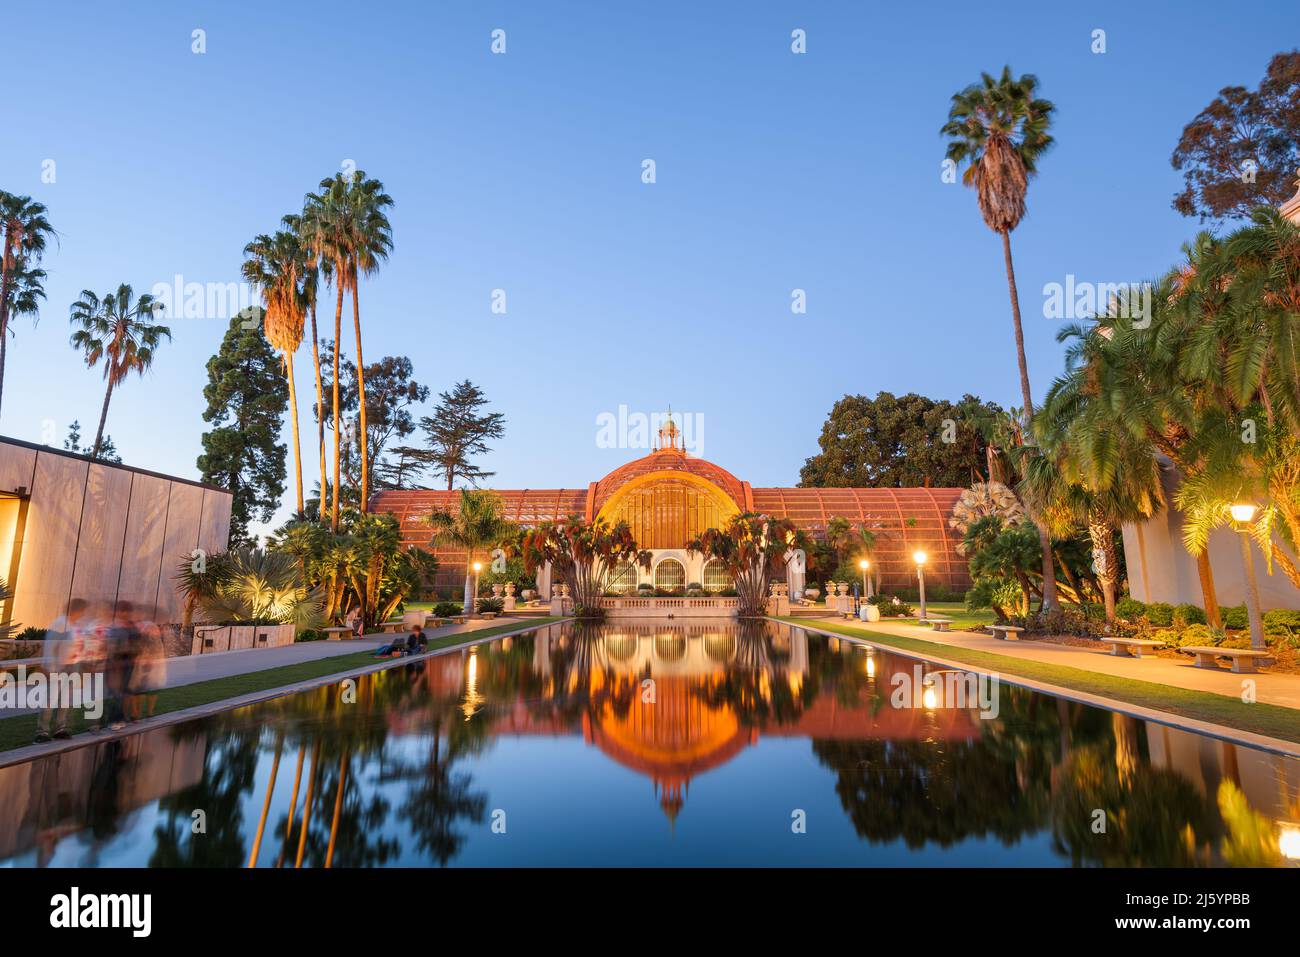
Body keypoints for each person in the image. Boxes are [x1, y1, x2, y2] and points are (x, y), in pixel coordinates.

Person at [35, 599, 89, 743]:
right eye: (82, 610)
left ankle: (60, 728)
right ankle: (43, 731)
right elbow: (50, 647)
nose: (83, 613)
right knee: (51, 698)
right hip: (59, 666)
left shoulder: (76, 625)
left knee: (66, 698)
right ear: (75, 610)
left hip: (73, 666)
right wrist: (51, 668)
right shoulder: (60, 624)